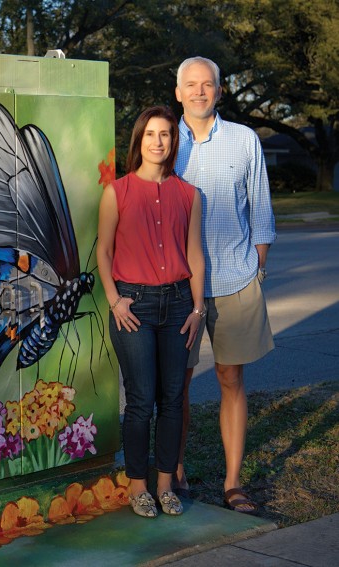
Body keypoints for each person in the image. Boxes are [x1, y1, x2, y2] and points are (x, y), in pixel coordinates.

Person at [172, 56, 276, 514]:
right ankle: (174, 473)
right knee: (178, 385)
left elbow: (261, 210)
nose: (199, 92)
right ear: (178, 93)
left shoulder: (244, 140)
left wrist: (257, 268)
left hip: (235, 279)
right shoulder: (161, 139)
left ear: (219, 91)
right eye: (190, 85)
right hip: (177, 286)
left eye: (207, 84)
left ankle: (233, 484)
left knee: (231, 377)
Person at [97, 106, 205, 518]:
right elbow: (103, 252)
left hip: (179, 305)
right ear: (139, 141)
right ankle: (138, 486)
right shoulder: (117, 192)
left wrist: (197, 308)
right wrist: (114, 300)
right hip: (134, 307)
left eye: (165, 135)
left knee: (173, 399)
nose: (158, 142)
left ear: (173, 142)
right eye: (150, 135)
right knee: (141, 399)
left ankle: (166, 485)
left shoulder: (189, 194)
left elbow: (194, 253)